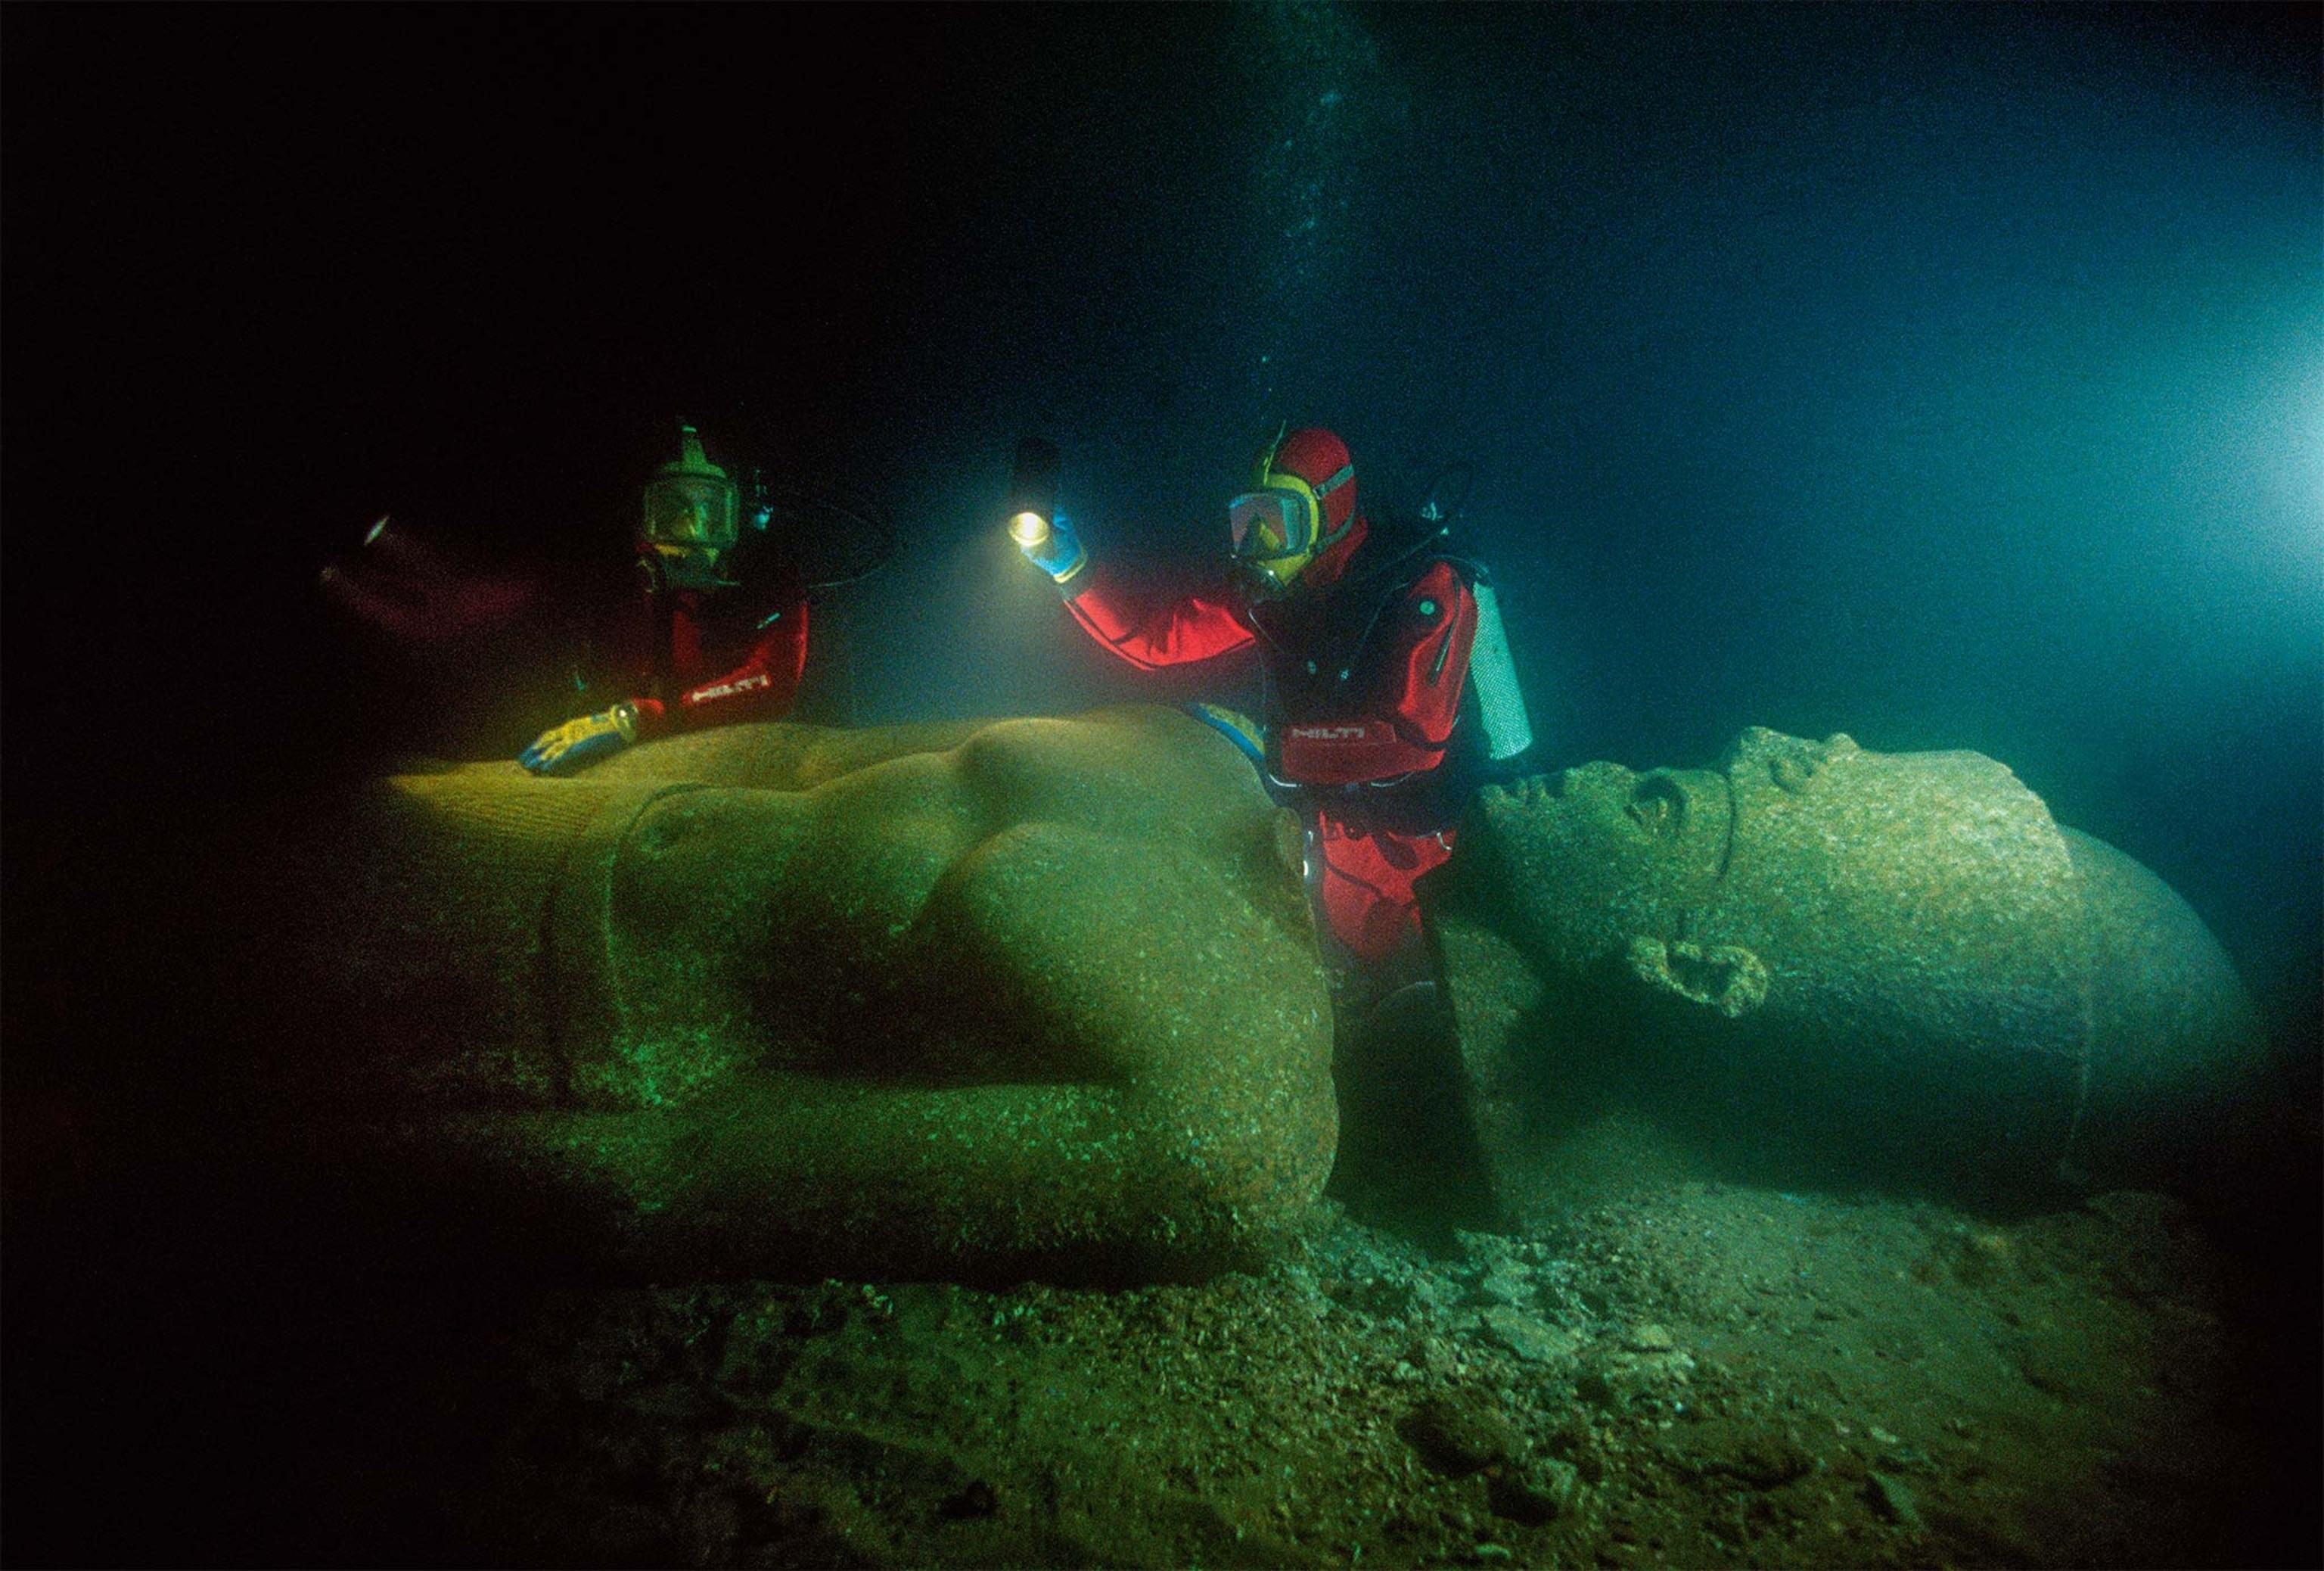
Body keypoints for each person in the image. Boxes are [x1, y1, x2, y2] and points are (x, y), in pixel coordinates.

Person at [1014, 425, 1530, 1005]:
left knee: (1428, 1007)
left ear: (1327, 513)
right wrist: (1069, 567)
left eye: (1279, 519)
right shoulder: (1282, 599)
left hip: (1434, 858)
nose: (1259, 538)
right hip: (1338, 855)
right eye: (1247, 519)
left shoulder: (1424, 585)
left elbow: (1414, 738)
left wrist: (1272, 747)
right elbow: (1156, 639)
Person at [520, 424, 811, 774]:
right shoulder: (605, 575)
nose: (695, 532)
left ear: (739, 514)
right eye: (674, 509)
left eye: (713, 511)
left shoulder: (770, 579)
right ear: (640, 513)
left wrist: (636, 718)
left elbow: (774, 683)